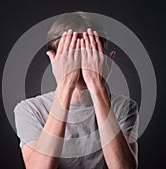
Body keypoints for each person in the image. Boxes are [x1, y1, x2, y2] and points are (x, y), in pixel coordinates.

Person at [14, 12, 139, 169]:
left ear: (107, 61)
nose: (80, 63)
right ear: (54, 61)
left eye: (89, 53)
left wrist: (97, 86)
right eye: (71, 54)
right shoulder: (30, 110)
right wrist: (66, 84)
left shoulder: (125, 107)